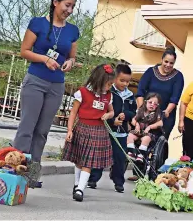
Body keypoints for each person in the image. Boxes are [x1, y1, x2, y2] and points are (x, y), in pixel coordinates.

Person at [13, 0, 80, 188]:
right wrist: (43, 59)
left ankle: (32, 175)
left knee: (42, 131)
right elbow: (24, 51)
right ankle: (16, 169)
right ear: (55, 2)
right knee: (27, 127)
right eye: (67, 5)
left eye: (73, 7)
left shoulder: (73, 31)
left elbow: (72, 56)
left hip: (56, 85)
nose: (69, 10)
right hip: (35, 80)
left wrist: (71, 62)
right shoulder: (38, 23)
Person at [128, 45, 183, 181]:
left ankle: (155, 174)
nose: (168, 65)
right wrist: (143, 110)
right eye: (166, 61)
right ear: (162, 60)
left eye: (171, 63)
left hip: (164, 115)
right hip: (146, 111)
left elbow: (175, 98)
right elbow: (140, 91)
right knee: (139, 137)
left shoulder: (178, 76)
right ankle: (137, 171)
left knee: (158, 142)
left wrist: (166, 112)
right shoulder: (150, 72)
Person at [62, 64, 116, 202]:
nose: (110, 87)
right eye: (108, 84)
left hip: (98, 131)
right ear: (99, 80)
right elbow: (73, 112)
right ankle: (77, 184)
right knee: (80, 160)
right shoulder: (83, 93)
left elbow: (111, 111)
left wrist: (108, 115)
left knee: (88, 162)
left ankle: (80, 189)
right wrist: (69, 130)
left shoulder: (108, 96)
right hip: (82, 128)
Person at [87, 64, 137, 193]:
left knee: (120, 158)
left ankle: (119, 182)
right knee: (100, 155)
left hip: (121, 133)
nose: (125, 84)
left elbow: (133, 112)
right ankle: (93, 179)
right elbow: (102, 110)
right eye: (122, 80)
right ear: (115, 79)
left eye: (128, 81)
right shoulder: (109, 92)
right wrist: (112, 120)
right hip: (107, 130)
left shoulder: (130, 96)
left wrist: (126, 115)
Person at [127, 92, 164, 162]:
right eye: (150, 102)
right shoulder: (140, 111)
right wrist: (137, 125)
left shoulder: (157, 114)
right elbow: (133, 120)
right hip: (138, 131)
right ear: (145, 102)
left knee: (146, 139)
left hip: (148, 133)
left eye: (155, 104)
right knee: (130, 135)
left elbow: (160, 123)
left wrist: (150, 127)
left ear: (157, 106)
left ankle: (141, 155)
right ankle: (132, 152)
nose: (152, 105)